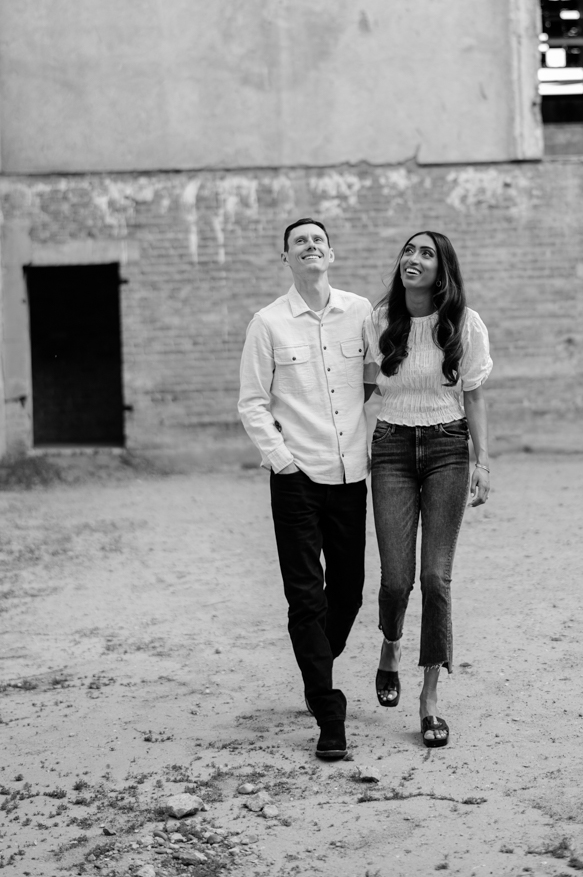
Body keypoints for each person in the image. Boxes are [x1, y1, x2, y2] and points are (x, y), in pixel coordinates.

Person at [238, 217, 373, 761]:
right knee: (304, 597)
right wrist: (282, 461)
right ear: (286, 259)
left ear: (331, 254)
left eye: (318, 240)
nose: (310, 246)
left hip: (351, 476)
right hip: (296, 480)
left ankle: (316, 659)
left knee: (350, 591)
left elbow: (376, 374)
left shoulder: (361, 312)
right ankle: (327, 708)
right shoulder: (267, 323)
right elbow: (253, 402)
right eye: (300, 242)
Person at [363, 230, 492, 748]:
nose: (412, 259)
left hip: (446, 449)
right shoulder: (377, 321)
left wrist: (484, 461)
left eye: (426, 254)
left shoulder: (464, 323)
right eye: (408, 251)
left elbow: (476, 397)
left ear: (442, 269)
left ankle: (430, 699)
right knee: (397, 581)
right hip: (391, 448)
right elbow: (362, 393)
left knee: (435, 578)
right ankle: (391, 645)